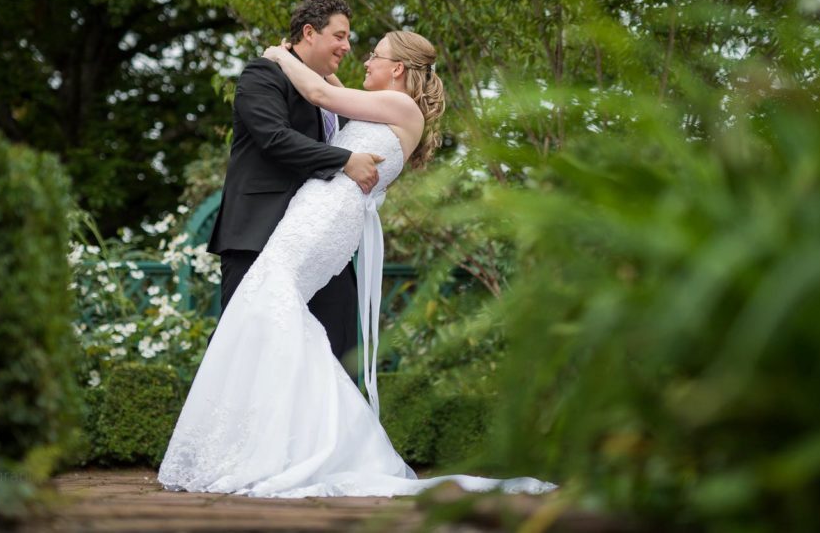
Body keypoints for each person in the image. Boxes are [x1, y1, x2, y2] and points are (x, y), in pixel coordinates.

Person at [158, 29, 555, 497]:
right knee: (270, 306)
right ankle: (282, 443)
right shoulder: (387, 106)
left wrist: (278, 55)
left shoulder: (403, 108)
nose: (366, 61)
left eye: (375, 56)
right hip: (315, 210)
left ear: (399, 70)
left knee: (270, 299)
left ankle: (300, 445)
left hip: (326, 216)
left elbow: (321, 92)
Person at [206, 0, 382, 370]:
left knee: (338, 353)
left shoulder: (327, 93)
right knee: (246, 356)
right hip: (258, 235)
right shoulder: (263, 74)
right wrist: (345, 160)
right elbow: (274, 138)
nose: (347, 46)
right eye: (339, 35)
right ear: (309, 32)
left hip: (318, 243)